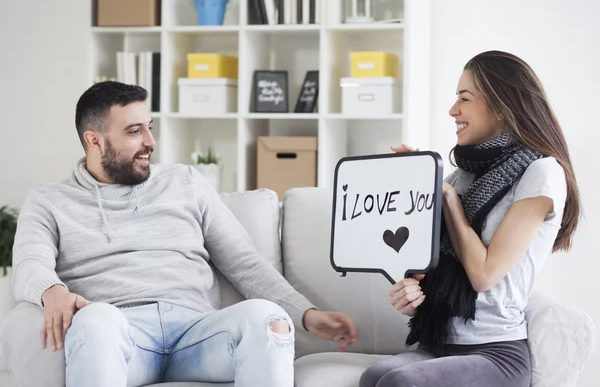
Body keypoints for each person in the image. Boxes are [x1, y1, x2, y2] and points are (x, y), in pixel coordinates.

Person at [11, 81, 358, 387]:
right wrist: (52, 290)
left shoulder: (185, 181)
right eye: (134, 132)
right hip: (122, 335)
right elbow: (30, 263)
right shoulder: (49, 201)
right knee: (96, 319)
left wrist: (305, 314)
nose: (150, 141)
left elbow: (245, 263)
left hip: (198, 334)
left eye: (149, 127)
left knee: (267, 318)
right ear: (95, 140)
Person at [360, 50, 581, 387]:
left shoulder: (541, 173)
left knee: (400, 382)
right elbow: (426, 270)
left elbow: (483, 274)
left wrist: (447, 198)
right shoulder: (460, 176)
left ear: (502, 105)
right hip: (439, 343)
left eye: (464, 98)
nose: (453, 110)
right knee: (375, 375)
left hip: (495, 352)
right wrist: (408, 292)